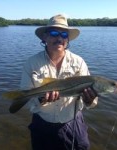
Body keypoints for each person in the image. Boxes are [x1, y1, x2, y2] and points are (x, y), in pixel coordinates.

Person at [20, 14, 98, 150]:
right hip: (42, 123)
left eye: (64, 34)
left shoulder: (79, 62)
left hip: (72, 122)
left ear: (67, 39)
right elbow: (26, 97)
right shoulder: (31, 63)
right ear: (45, 37)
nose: (59, 38)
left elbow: (90, 104)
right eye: (54, 33)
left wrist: (89, 100)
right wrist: (41, 98)